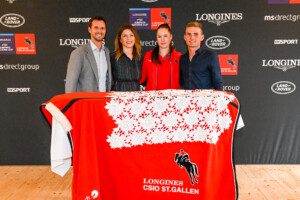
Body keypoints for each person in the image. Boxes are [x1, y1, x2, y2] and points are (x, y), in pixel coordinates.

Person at [65, 16, 112, 93]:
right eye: (96, 28)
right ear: (89, 29)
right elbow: (71, 83)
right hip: (86, 102)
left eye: (102, 28)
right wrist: (71, 103)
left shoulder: (106, 52)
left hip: (103, 101)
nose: (99, 31)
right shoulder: (78, 53)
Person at [180, 21, 223, 90]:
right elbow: (180, 84)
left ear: (202, 37)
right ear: (185, 37)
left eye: (196, 34)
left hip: (206, 100)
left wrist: (220, 100)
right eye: (189, 34)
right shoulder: (182, 59)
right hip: (186, 100)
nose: (192, 37)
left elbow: (217, 82)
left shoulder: (210, 56)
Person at [140, 23, 181, 91]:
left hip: (172, 99)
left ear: (170, 37)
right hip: (152, 99)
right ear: (156, 38)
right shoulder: (148, 56)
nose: (162, 39)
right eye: (159, 36)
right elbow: (141, 79)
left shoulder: (178, 57)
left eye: (165, 36)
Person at [110, 24, 142, 91]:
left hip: (136, 98)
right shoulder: (112, 57)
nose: (128, 38)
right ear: (120, 40)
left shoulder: (140, 58)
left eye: (131, 35)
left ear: (135, 38)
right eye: (125, 36)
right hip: (118, 98)